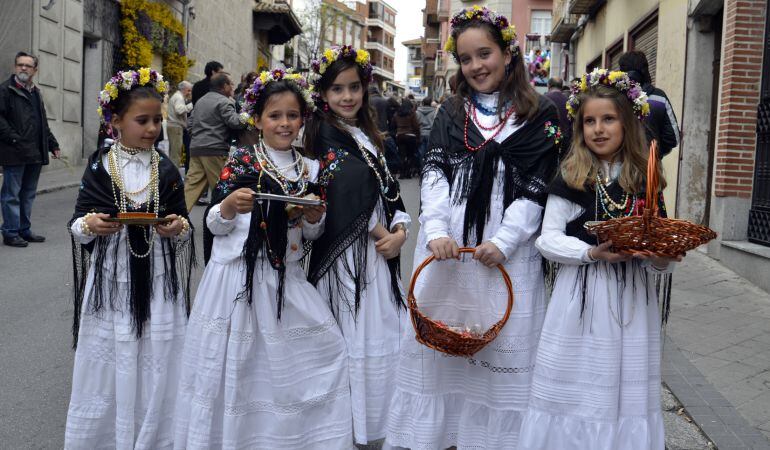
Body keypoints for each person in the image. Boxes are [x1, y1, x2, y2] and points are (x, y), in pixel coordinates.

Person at [385, 6, 560, 449]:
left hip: (509, 249)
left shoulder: (537, 114)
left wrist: (504, 241)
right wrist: (437, 230)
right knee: (445, 336)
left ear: (507, 53)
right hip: (450, 246)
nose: (477, 66)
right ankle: (441, 436)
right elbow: (435, 174)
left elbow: (537, 187)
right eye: (466, 59)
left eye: (485, 54)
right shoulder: (452, 112)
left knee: (503, 339)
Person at [174, 69, 353, 449]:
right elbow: (213, 225)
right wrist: (225, 206)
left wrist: (313, 218)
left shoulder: (310, 168)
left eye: (292, 115)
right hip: (237, 280)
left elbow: (310, 235)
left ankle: (290, 439)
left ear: (303, 118)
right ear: (257, 120)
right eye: (275, 116)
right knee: (239, 366)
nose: (284, 124)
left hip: (285, 277)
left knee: (323, 350)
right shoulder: (240, 162)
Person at [518, 69, 680, 450]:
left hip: (631, 299)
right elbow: (548, 239)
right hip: (582, 296)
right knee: (582, 378)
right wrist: (590, 252)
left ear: (627, 123)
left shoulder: (645, 178)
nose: (598, 129)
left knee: (624, 382)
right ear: (579, 128)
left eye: (608, 119)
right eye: (589, 121)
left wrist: (660, 257)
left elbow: (659, 246)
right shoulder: (572, 175)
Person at [65, 68, 195, 449]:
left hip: (156, 281)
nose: (153, 128)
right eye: (143, 121)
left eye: (157, 120)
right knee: (113, 360)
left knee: (158, 357)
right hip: (112, 280)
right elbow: (76, 221)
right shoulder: (99, 167)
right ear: (116, 121)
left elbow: (183, 221)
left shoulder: (166, 168)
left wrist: (176, 228)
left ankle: (157, 436)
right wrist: (90, 225)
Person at [304, 45, 411, 447]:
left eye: (353, 88)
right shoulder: (316, 136)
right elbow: (327, 191)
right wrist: (372, 228)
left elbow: (391, 194)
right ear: (323, 94)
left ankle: (378, 425)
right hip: (343, 261)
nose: (347, 97)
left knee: (381, 339)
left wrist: (399, 232)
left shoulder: (369, 137)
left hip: (378, 260)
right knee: (347, 343)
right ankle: (341, 430)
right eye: (336, 89)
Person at [0, 51, 60, 247]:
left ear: (35, 70)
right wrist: (15, 139)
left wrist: (52, 144)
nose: (23, 68)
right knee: (11, 194)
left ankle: (24, 230)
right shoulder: (5, 90)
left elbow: (42, 123)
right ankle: (10, 232)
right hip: (14, 152)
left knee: (28, 194)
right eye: (20, 65)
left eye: (27, 65)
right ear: (15, 67)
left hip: (35, 152)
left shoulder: (35, 92)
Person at [184, 72, 246, 211]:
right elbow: (235, 122)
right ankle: (224, 220)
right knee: (223, 188)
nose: (232, 87)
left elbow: (190, 124)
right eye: (231, 84)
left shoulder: (201, 100)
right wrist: (247, 114)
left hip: (196, 149)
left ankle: (175, 217)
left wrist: (198, 137)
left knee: (191, 188)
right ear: (224, 86)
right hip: (215, 150)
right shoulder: (224, 102)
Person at [619, 50, 680, 157]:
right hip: (650, 167)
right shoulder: (659, 97)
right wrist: (655, 153)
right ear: (645, 70)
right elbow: (673, 137)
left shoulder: (615, 97)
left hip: (619, 166)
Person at [392, 98, 420, 179]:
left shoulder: (397, 113)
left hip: (400, 136)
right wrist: (418, 137)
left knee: (402, 155)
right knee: (410, 155)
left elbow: (393, 125)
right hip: (411, 136)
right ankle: (408, 173)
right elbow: (416, 126)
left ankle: (402, 173)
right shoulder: (412, 113)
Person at [167, 80, 193, 167]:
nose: (189, 93)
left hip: (174, 126)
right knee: (176, 153)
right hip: (176, 126)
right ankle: (174, 177)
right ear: (184, 89)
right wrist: (191, 105)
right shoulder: (179, 97)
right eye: (188, 90)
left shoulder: (177, 96)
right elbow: (179, 110)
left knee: (174, 152)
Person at [544, 76, 571, 155]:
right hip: (565, 141)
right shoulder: (569, 101)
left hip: (547, 141)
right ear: (561, 87)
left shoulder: (543, 99)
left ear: (548, 86)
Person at [415, 96, 437, 165]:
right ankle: (428, 168)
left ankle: (421, 167)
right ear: (430, 103)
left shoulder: (417, 112)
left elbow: (416, 123)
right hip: (430, 134)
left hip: (421, 133)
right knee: (429, 152)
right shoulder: (434, 112)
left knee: (421, 152)